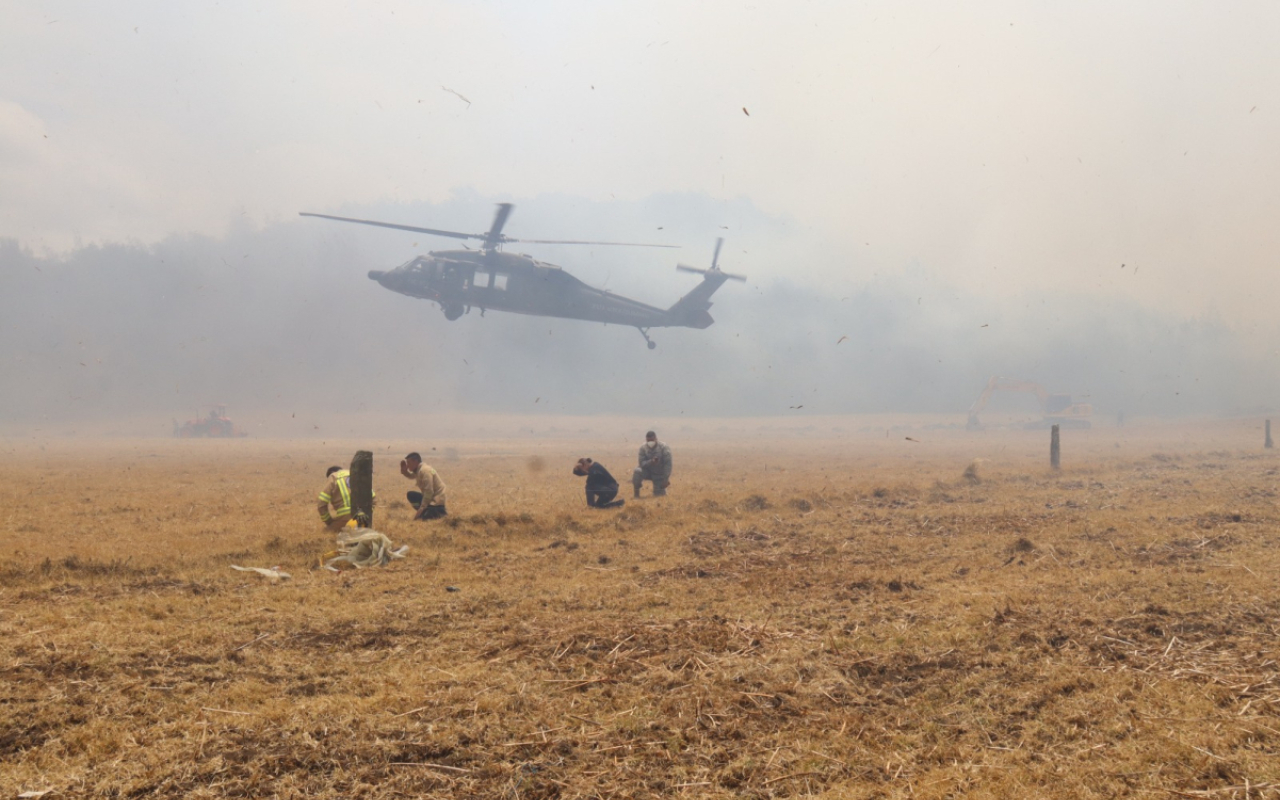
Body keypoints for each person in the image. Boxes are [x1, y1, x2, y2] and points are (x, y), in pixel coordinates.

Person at [401, 452, 447, 520]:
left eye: (409, 463)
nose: (407, 466)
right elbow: (412, 476)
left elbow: (429, 492)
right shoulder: (419, 470)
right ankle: (425, 512)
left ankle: (431, 512)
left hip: (436, 502)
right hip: (430, 499)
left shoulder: (425, 471)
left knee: (425, 519)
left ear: (415, 461)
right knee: (411, 495)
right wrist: (404, 472)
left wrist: (421, 508)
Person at [632, 430, 672, 498]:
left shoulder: (664, 447)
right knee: (637, 471)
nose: (650, 442)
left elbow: (668, 465)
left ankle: (660, 490)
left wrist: (666, 479)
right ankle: (636, 495)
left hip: (659, 474)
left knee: (659, 496)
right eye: (648, 440)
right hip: (648, 471)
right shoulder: (643, 448)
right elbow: (641, 463)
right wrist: (651, 462)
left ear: (656, 439)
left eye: (652, 440)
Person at [317, 465, 354, 531]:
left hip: (346, 517)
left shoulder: (333, 476)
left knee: (326, 532)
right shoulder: (355, 474)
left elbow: (321, 503)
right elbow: (373, 497)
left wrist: (329, 521)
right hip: (364, 517)